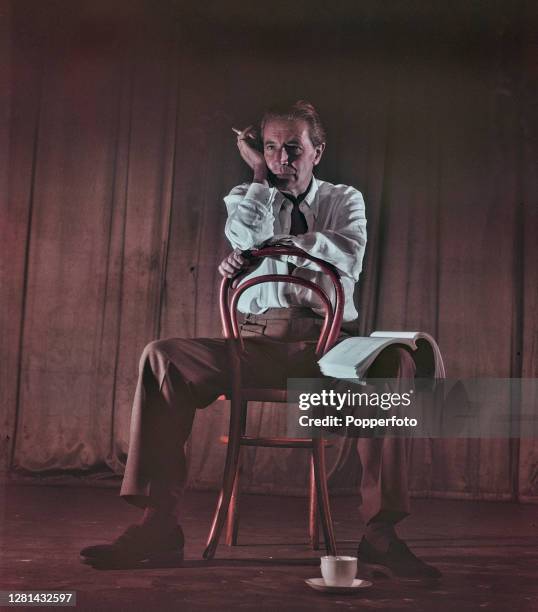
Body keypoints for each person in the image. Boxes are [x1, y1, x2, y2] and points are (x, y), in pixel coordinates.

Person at [80, 101, 441, 579]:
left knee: (397, 365)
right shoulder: (248, 195)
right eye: (270, 148)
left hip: (327, 348)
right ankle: (158, 525)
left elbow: (347, 253)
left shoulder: (344, 199)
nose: (280, 159)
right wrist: (255, 180)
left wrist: (274, 248)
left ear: (318, 151)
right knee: (161, 357)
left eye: (292, 148)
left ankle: (381, 535)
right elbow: (244, 233)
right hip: (256, 346)